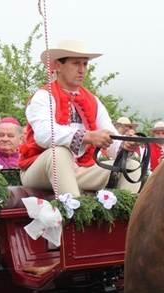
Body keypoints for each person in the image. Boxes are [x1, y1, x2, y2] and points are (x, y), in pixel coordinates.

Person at [19, 39, 141, 197]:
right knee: (60, 153)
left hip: (81, 169)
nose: (82, 70)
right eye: (76, 63)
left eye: (85, 64)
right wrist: (88, 136)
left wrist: (125, 144)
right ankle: (74, 215)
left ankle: (124, 220)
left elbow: (110, 137)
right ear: (57, 66)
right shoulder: (43, 96)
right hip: (39, 168)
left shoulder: (93, 101)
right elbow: (44, 134)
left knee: (131, 166)